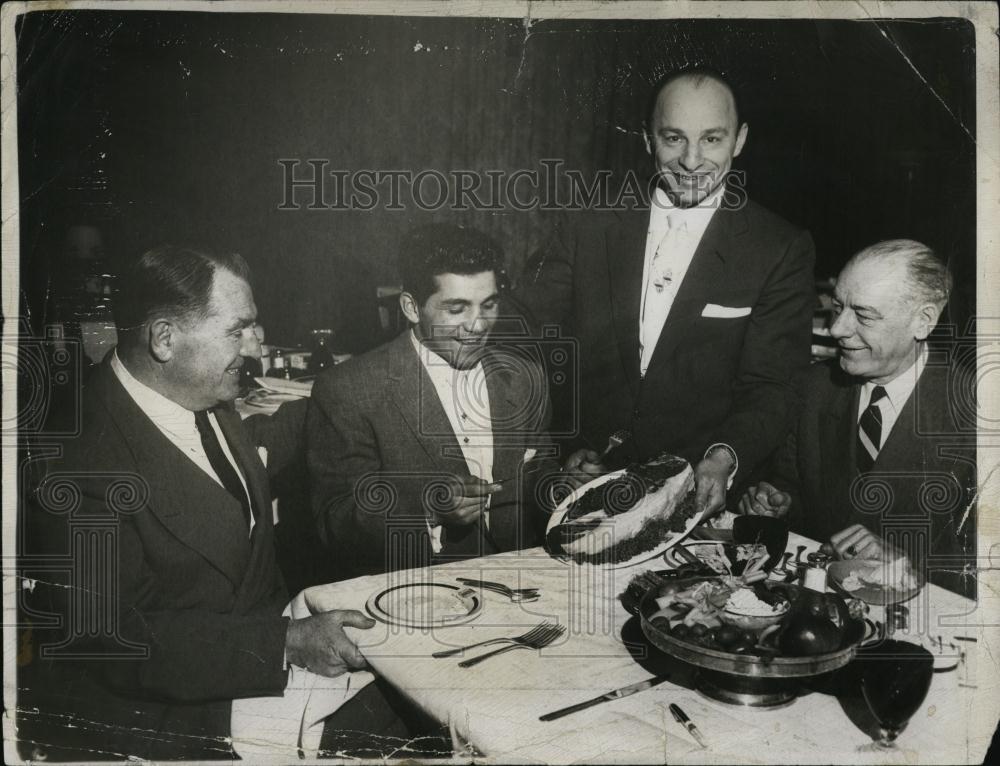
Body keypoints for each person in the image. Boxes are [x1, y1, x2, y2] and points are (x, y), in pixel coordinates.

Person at [24, 246, 401, 759]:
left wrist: (355, 397)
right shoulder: (78, 462)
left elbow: (250, 458)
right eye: (237, 330)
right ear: (164, 339)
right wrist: (284, 642)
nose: (254, 346)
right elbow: (116, 640)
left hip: (252, 665)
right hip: (167, 711)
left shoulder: (200, 394)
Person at [513, 67, 816, 515]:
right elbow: (533, 345)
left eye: (712, 139)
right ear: (647, 138)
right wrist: (561, 448)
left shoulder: (780, 247)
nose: (692, 161)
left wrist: (723, 457)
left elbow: (773, 385)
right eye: (674, 138)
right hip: (583, 489)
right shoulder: (586, 224)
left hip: (693, 497)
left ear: (740, 139)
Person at [307, 224, 558, 578]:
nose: (478, 325)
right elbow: (336, 522)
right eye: (456, 309)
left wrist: (569, 483)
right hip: (417, 589)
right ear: (411, 307)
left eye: (488, 305)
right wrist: (429, 509)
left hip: (526, 580)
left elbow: (538, 473)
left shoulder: (524, 375)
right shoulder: (348, 390)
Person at [740, 240, 976, 597]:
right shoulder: (816, 387)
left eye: (864, 316)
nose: (837, 329)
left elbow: (983, 573)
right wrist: (778, 503)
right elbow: (794, 485)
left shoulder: (976, 413)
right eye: (838, 307)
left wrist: (905, 566)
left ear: (923, 321)